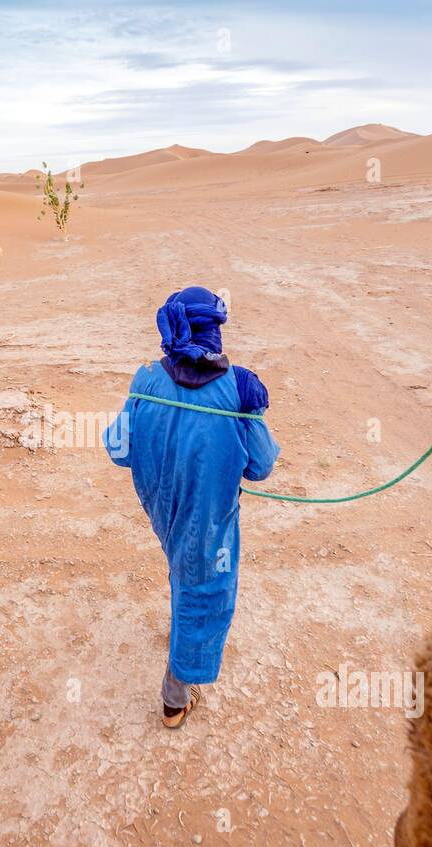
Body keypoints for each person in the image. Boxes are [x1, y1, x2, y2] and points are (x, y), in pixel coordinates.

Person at [103, 287, 279, 728]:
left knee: (183, 569)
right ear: (215, 329)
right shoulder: (237, 388)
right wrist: (248, 413)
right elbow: (261, 467)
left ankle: (180, 639)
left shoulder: (146, 378)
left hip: (162, 509)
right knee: (206, 596)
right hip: (208, 522)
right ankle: (174, 700)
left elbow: (118, 448)